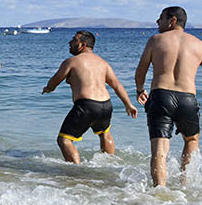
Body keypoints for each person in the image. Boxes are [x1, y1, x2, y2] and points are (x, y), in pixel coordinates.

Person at [134, 6, 202, 187]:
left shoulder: (156, 40)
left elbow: (141, 71)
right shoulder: (199, 45)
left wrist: (140, 90)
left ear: (172, 20)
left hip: (161, 96)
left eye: (161, 18)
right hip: (188, 99)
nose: (157, 22)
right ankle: (185, 186)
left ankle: (160, 192)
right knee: (192, 140)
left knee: (160, 150)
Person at [41, 30, 137, 163]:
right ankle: (111, 164)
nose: (70, 42)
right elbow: (117, 85)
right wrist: (128, 104)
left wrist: (48, 88)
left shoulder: (71, 62)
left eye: (74, 40)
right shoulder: (103, 63)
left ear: (83, 45)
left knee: (64, 140)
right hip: (106, 105)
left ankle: (76, 172)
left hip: (86, 106)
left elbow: (54, 81)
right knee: (104, 133)